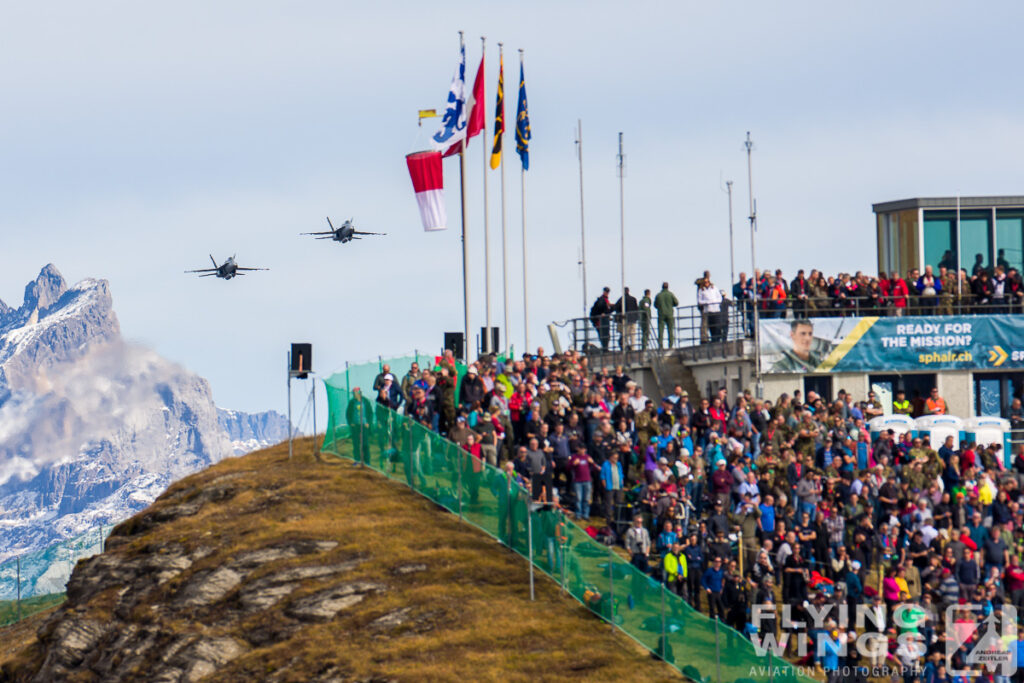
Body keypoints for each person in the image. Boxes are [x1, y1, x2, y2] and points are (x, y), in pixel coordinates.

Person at [600, 450, 624, 523]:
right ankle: (609, 519)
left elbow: (621, 473)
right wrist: (605, 485)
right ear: (610, 457)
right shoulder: (605, 464)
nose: (616, 459)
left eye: (617, 458)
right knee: (609, 503)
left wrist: (622, 481)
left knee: (618, 502)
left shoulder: (618, 464)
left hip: (618, 486)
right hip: (610, 487)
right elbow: (602, 476)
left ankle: (617, 517)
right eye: (614, 458)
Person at [654, 282, 678, 348]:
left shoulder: (658, 295)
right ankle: (670, 345)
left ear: (662, 287)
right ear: (668, 287)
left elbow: (655, 305)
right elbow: (676, 303)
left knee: (660, 331)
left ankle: (660, 346)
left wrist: (660, 307)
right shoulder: (671, 294)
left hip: (661, 314)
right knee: (670, 330)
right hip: (670, 314)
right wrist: (670, 305)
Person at [589, 287, 613, 351]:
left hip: (600, 321)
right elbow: (602, 309)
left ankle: (605, 348)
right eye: (606, 291)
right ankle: (605, 349)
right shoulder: (601, 300)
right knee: (604, 335)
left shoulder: (603, 300)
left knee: (605, 335)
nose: (607, 293)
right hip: (599, 321)